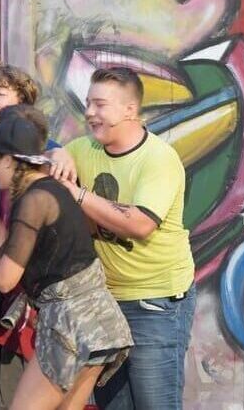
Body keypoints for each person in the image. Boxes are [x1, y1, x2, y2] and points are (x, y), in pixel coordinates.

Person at [0, 105, 133, 409]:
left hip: (71, 324)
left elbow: (5, 280)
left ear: (8, 160)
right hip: (98, 323)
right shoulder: (46, 190)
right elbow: (37, 262)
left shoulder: (34, 199)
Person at [62, 67, 196, 410]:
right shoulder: (84, 148)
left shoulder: (158, 159)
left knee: (154, 403)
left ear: (130, 110)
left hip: (155, 302)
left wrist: (78, 195)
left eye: (100, 104)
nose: (89, 112)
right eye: (88, 103)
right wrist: (57, 155)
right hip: (107, 303)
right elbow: (51, 156)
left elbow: (139, 224)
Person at [0, 56, 75, 409]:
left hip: (27, 291)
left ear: (22, 106)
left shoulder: (44, 153)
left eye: (1, 91)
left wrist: (64, 154)